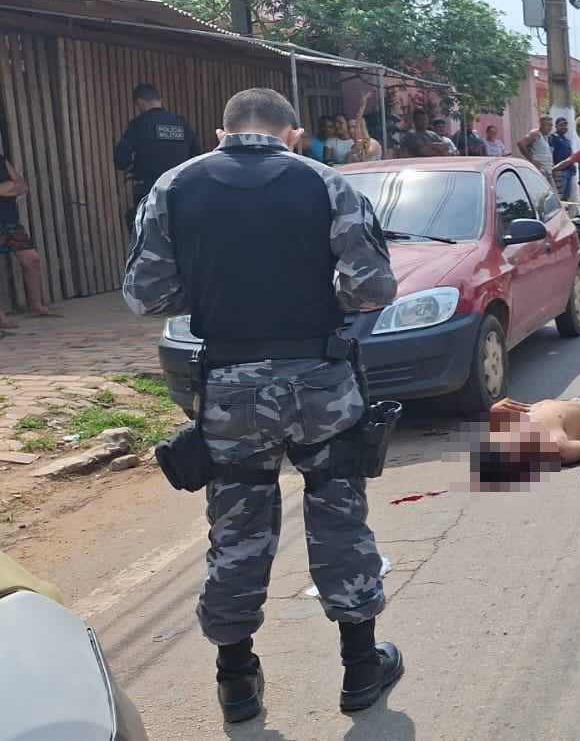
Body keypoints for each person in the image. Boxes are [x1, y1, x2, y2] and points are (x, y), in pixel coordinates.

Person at [122, 87, 403, 722]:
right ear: (292, 133)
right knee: (339, 515)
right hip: (319, 382)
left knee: (237, 530)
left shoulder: (172, 187)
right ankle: (361, 669)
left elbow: (146, 296)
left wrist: (220, 291)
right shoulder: (327, 185)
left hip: (228, 385)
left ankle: (237, 683)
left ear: (221, 133)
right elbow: (374, 288)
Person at [113, 83, 201, 231]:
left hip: (150, 195)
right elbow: (197, 156)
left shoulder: (139, 125)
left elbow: (121, 160)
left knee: (150, 242)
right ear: (160, 99)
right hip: (182, 195)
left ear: (139, 102)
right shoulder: (181, 123)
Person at [0, 136, 59, 327]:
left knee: (32, 260)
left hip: (10, 221)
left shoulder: (0, 159)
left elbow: (22, 185)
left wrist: (7, 188)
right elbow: (13, 186)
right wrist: (8, 188)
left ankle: (36, 306)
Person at [550, 116, 575, 202]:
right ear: (556, 126)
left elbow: (570, 155)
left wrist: (573, 167)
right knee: (559, 196)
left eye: (565, 125)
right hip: (560, 172)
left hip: (569, 171)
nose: (564, 127)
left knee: (566, 197)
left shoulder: (567, 140)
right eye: (561, 125)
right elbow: (550, 152)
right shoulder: (553, 137)